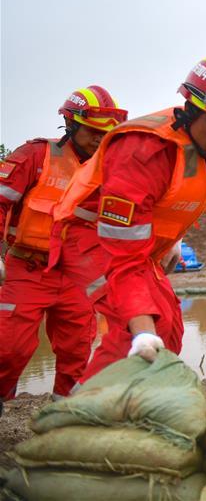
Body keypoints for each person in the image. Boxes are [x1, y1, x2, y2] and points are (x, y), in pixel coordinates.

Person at [54, 52, 206, 379]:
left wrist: (175, 240)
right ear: (192, 109)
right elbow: (122, 252)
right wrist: (141, 328)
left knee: (168, 331)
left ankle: (128, 406)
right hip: (91, 238)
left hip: (143, 246)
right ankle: (88, 416)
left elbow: (177, 200)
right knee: (139, 331)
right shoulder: (144, 150)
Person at [0, 85, 127, 407]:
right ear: (71, 124)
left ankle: (64, 414)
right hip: (28, 267)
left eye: (105, 133)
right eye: (92, 132)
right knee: (9, 347)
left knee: (77, 350)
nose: (99, 140)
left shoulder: (110, 168)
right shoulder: (36, 156)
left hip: (77, 274)